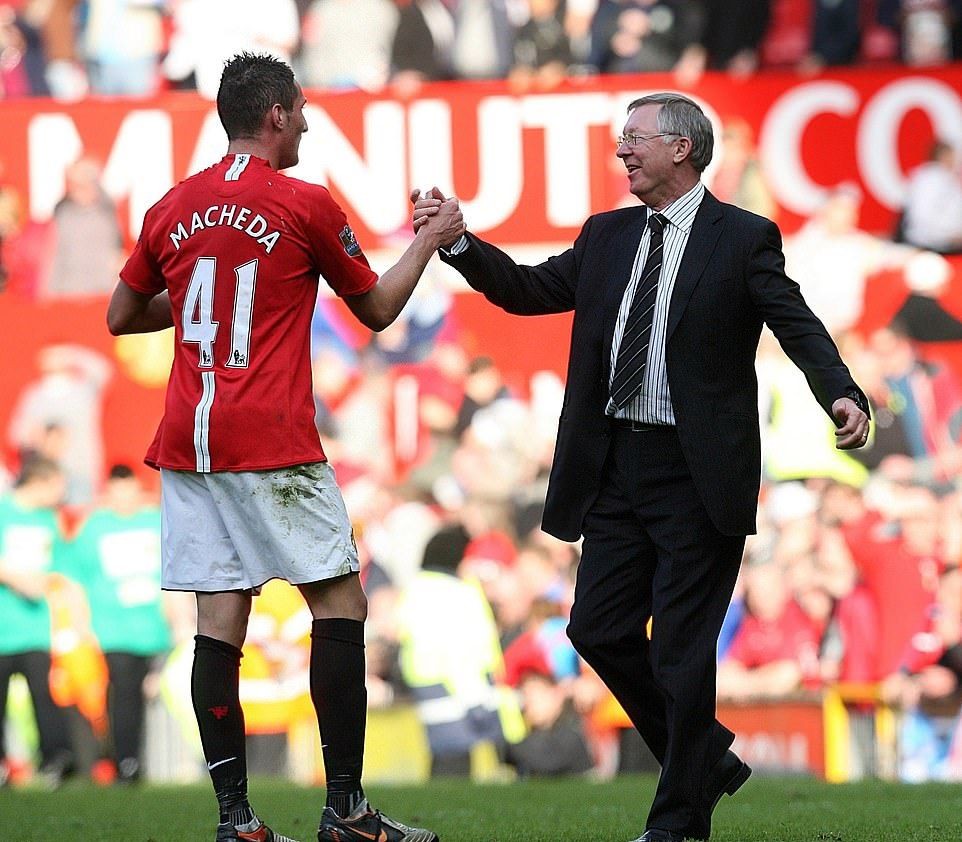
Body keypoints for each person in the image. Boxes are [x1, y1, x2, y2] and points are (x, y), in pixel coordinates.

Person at [413, 92, 871, 841]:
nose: (622, 151)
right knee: (596, 627)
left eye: (635, 139)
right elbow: (528, 291)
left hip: (700, 474)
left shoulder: (743, 237)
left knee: (685, 648)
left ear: (682, 149)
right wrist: (459, 243)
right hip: (617, 468)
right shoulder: (606, 235)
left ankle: (678, 821)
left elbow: (797, 322)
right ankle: (705, 759)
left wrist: (842, 394)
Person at [107, 52, 463, 842]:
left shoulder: (172, 206)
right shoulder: (302, 203)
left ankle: (237, 822)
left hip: (190, 446)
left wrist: (207, 292)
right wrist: (428, 240)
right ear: (276, 115)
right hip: (271, 441)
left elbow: (120, 316)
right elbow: (373, 309)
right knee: (340, 603)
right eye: (300, 110)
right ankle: (347, 812)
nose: (305, 121)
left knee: (218, 623)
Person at [64, 464, 171, 784]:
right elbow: (75, 579)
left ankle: (139, 761)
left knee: (145, 697)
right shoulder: (93, 527)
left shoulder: (156, 521)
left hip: (155, 629)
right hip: (113, 630)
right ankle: (127, 761)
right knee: (123, 694)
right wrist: (82, 623)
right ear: (108, 491)